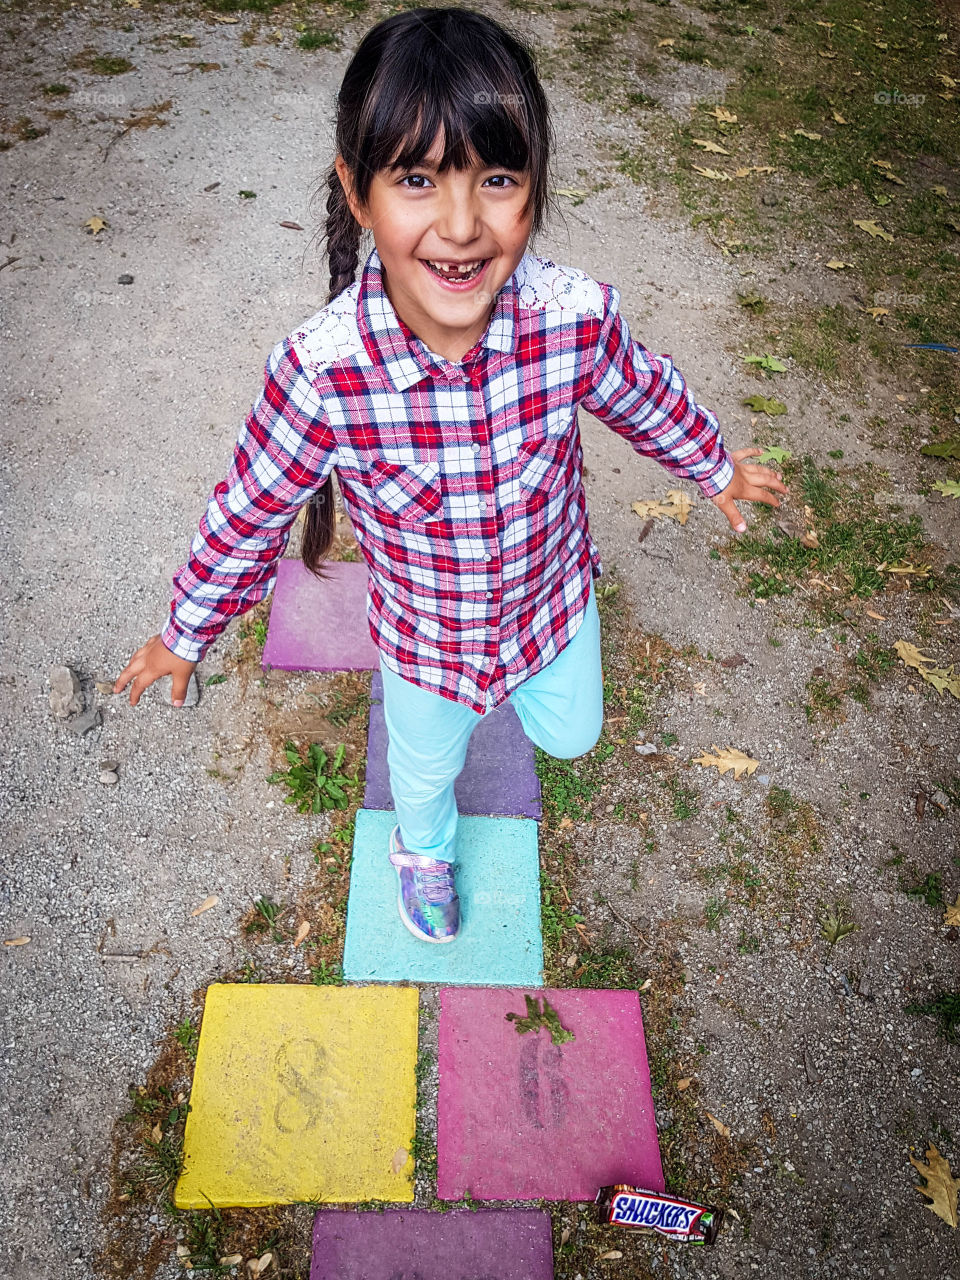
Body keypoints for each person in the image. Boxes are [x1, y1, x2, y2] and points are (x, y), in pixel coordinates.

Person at [114, 6, 787, 946]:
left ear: (535, 187)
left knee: (574, 734)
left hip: (551, 603)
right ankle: (422, 853)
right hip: (428, 643)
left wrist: (713, 464)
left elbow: (641, 392)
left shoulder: (571, 319)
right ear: (357, 190)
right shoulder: (321, 374)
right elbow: (248, 516)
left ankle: (512, 712)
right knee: (424, 775)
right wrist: (186, 635)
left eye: (498, 178)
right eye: (418, 179)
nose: (462, 225)